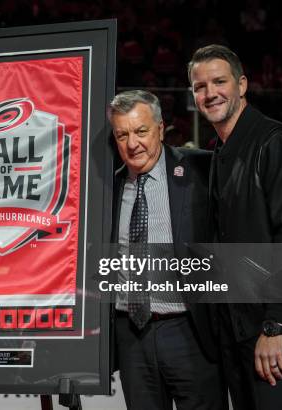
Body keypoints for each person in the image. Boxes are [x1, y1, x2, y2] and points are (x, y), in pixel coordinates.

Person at [188, 44, 282, 410]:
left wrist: (275, 325)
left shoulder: (278, 143)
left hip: (278, 325)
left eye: (219, 82)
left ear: (242, 85)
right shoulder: (220, 152)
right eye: (200, 86)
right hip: (240, 324)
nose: (210, 93)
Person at [109, 90, 226, 410]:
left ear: (161, 128)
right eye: (123, 134)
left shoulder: (202, 170)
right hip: (132, 336)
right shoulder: (107, 187)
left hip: (190, 331)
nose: (132, 143)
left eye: (141, 131)